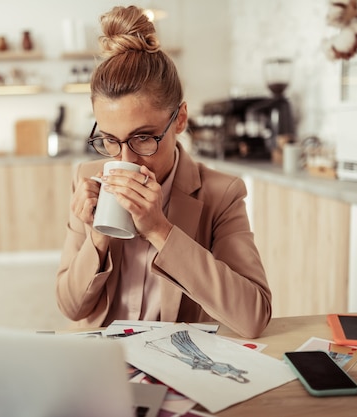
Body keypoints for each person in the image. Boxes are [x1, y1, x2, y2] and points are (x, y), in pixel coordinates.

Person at [56, 5, 271, 338]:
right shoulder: (86, 177)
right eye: (110, 140)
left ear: (180, 119)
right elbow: (72, 308)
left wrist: (160, 230)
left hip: (178, 362)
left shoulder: (221, 194)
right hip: (105, 359)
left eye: (143, 137)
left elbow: (253, 316)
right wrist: (97, 237)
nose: (126, 158)